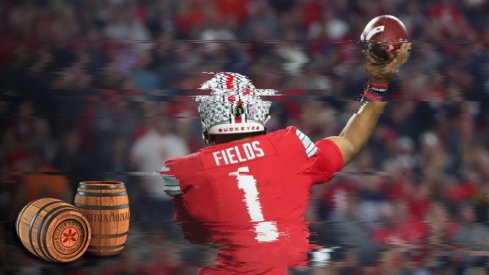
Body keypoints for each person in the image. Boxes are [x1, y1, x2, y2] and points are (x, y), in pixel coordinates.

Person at [160, 44, 411, 274]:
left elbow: (199, 236)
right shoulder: (290, 145)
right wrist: (378, 85)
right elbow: (349, 142)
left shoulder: (184, 171)